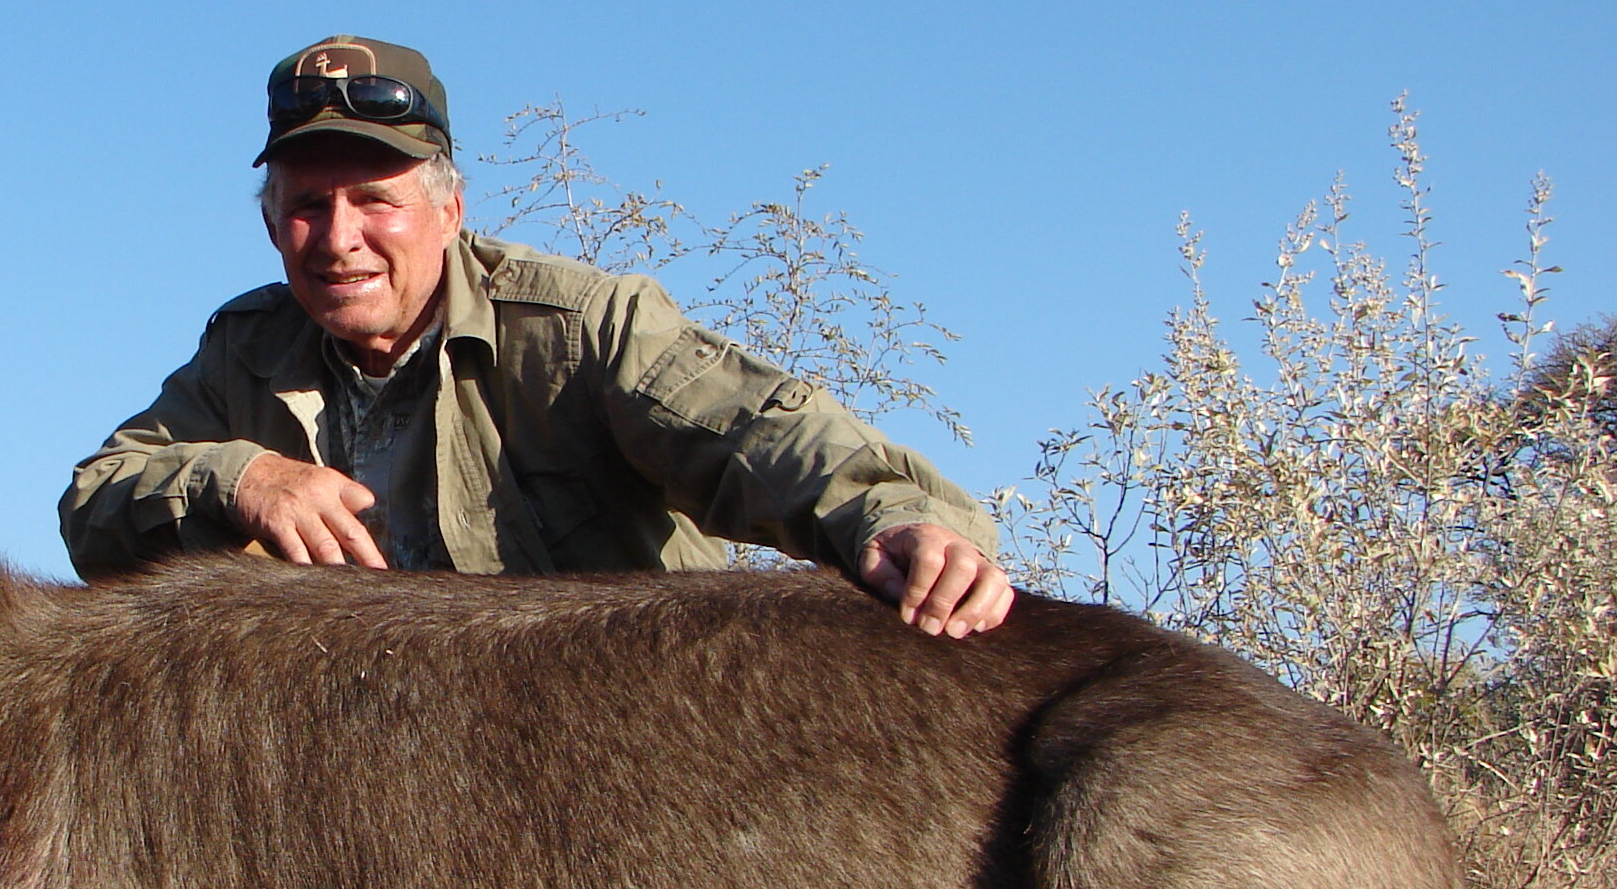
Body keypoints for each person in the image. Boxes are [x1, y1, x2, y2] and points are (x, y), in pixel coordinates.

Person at [61, 37, 1014, 635]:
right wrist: (243, 478)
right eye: (308, 207)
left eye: (375, 202)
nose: (340, 238)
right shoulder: (245, 351)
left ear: (450, 212)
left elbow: (756, 434)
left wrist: (895, 521)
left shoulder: (584, 326)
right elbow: (94, 505)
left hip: (607, 745)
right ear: (272, 226)